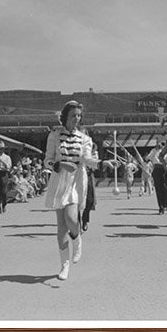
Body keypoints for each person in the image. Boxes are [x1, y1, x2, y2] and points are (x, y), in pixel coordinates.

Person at [43, 100, 97, 280]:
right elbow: (47, 160)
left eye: (79, 116)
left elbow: (87, 159)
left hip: (76, 180)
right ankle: (64, 266)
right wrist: (60, 164)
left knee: (72, 219)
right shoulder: (54, 136)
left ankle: (77, 237)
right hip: (59, 179)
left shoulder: (85, 138)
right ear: (65, 117)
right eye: (73, 115)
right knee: (61, 226)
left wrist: (102, 163)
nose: (77, 119)